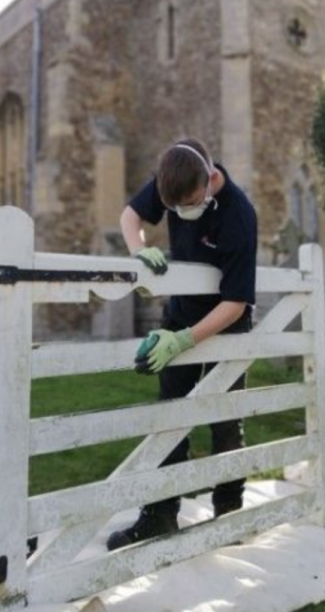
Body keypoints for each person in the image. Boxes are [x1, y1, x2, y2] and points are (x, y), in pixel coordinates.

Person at [106, 137, 258, 550]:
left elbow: (236, 301)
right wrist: (138, 249)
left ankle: (229, 514)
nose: (183, 213)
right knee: (170, 416)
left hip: (227, 325)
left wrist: (184, 341)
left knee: (225, 419)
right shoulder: (172, 177)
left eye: (191, 203)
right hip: (180, 315)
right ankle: (160, 515)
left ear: (210, 179)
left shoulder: (239, 216)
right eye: (176, 208)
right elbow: (129, 216)